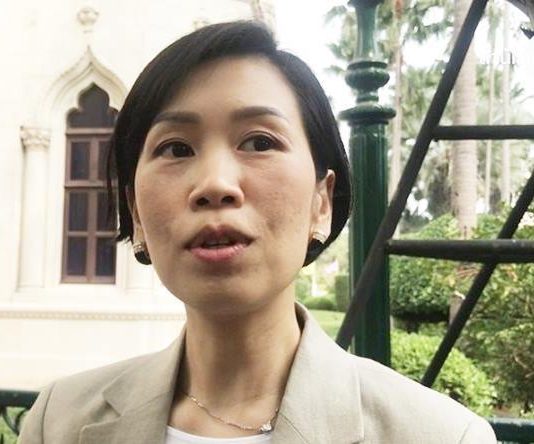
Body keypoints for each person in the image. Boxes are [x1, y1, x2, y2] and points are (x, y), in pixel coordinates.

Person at [18, 21, 497, 444]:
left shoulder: (441, 435)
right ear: (135, 213)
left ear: (322, 202)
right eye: (176, 148)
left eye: (259, 141)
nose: (215, 184)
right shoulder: (57, 423)